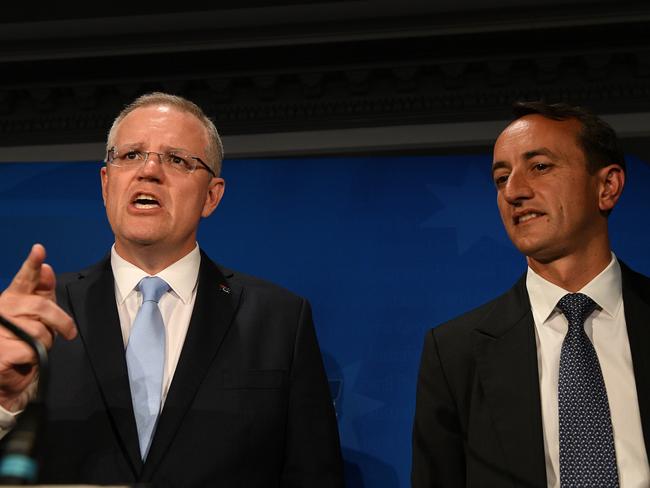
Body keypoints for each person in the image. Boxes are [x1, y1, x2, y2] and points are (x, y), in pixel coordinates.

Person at [0, 92, 344, 487]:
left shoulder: (280, 319)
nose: (149, 171)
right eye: (130, 155)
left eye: (177, 160)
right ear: (106, 182)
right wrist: (3, 399)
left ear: (211, 196)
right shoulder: (37, 314)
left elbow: (314, 475)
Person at [412, 101, 650, 487]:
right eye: (501, 177)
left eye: (540, 167)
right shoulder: (455, 352)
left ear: (607, 186)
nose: (514, 192)